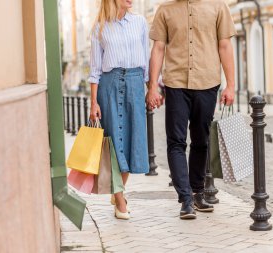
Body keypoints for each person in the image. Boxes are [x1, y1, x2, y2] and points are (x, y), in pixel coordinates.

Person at [147, 0, 236, 219]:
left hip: (207, 83)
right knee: (176, 142)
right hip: (175, 84)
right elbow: (158, 49)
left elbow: (224, 45)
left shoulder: (218, 7)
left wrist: (231, 85)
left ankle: (197, 193)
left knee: (201, 141)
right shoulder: (165, 10)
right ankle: (185, 199)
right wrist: (152, 87)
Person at [88, 0, 150, 220]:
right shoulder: (100, 27)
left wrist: (151, 89)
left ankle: (118, 191)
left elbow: (147, 61)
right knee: (114, 143)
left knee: (132, 141)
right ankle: (120, 199)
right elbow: (95, 69)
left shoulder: (140, 22)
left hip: (134, 83)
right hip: (110, 85)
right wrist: (93, 102)